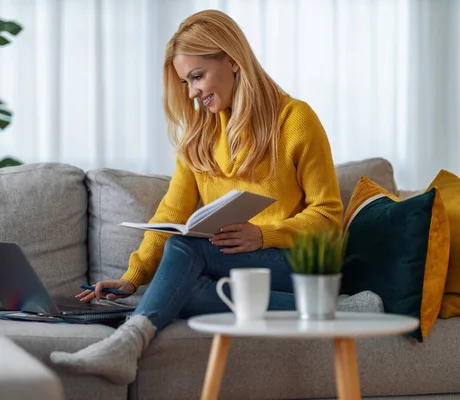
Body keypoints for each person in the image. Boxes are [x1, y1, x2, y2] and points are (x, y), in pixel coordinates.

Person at [50, 9, 343, 384]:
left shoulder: (296, 121)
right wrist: (133, 277)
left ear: (233, 61)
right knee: (179, 290)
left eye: (197, 77)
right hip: (238, 267)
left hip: (294, 263)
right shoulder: (199, 138)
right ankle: (331, 307)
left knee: (184, 250)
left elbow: (328, 216)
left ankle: (127, 344)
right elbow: (172, 208)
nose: (192, 92)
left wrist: (264, 235)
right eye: (186, 82)